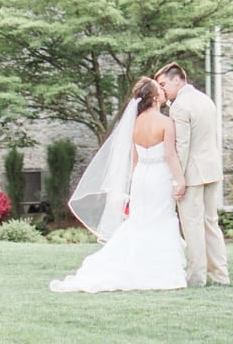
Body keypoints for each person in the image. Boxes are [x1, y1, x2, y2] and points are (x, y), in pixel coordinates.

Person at [49, 76, 186, 293]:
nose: (162, 90)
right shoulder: (166, 122)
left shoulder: (134, 123)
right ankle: (160, 271)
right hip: (160, 176)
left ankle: (136, 265)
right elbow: (170, 155)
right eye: (158, 88)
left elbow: (134, 159)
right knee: (160, 219)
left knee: (140, 221)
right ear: (153, 97)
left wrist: (135, 183)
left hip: (140, 177)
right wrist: (180, 180)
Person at [156, 62, 230, 288]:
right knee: (210, 223)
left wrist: (178, 179)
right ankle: (220, 275)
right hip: (211, 169)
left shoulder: (179, 106)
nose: (162, 90)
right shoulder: (205, 99)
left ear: (177, 80)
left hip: (192, 173)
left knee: (192, 225)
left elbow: (182, 146)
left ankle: (197, 276)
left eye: (164, 84)